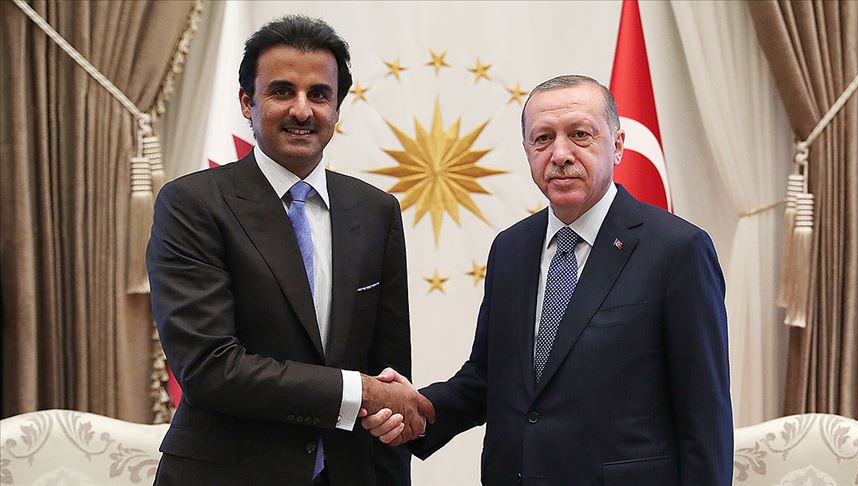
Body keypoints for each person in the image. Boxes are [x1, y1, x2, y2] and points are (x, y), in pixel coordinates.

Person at [362, 75, 733, 485]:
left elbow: (704, 417)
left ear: (618, 145)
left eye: (579, 134)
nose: (560, 154)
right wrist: (420, 409)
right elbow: (488, 377)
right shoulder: (511, 248)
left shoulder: (679, 250)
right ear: (527, 151)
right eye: (543, 139)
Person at [147, 15, 433, 486]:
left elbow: (388, 379)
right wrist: (357, 391)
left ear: (337, 108)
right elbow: (210, 368)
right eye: (282, 91)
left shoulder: (375, 210)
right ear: (247, 102)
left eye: (319, 94)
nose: (302, 110)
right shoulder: (192, 204)